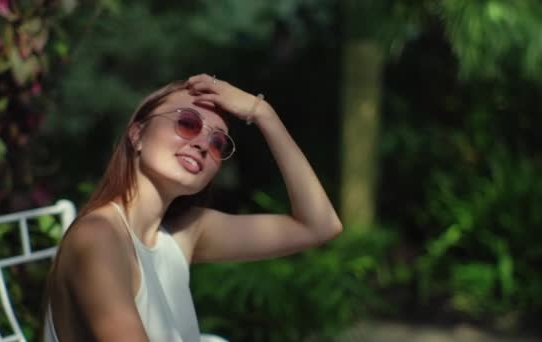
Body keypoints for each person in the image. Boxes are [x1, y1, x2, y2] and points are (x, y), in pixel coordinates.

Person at [44, 74, 342, 341]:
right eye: (187, 123)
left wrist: (263, 113)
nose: (202, 143)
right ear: (137, 134)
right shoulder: (99, 237)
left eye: (217, 143)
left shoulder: (183, 233)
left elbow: (319, 225)